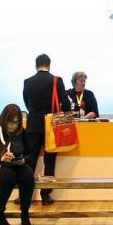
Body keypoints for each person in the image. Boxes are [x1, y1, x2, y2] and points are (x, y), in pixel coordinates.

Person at [22, 53, 71, 205]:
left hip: (33, 125)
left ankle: (26, 196)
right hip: (51, 127)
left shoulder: (27, 82)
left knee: (29, 160)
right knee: (49, 161)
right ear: (49, 65)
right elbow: (66, 104)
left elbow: (27, 103)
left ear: (36, 65)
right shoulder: (56, 80)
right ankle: (45, 196)